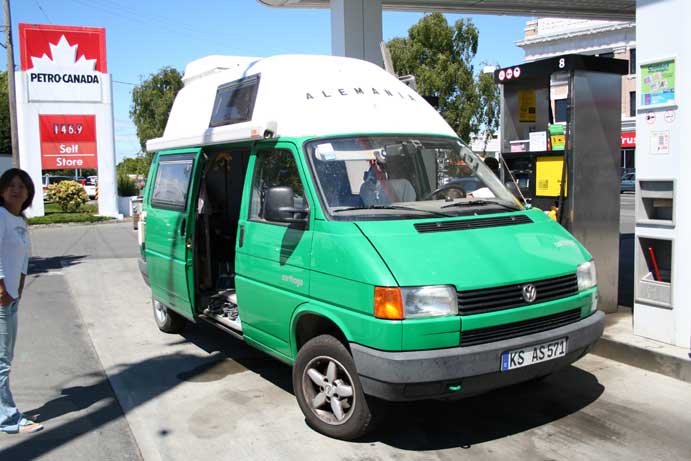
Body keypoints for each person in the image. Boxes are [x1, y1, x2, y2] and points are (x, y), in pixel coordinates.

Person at [0, 168, 42, 434]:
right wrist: (2, 287)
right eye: (11, 185)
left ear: (28, 193)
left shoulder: (20, 220)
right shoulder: (1, 216)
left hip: (12, 296)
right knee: (2, 360)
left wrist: (20, 284)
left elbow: (24, 257)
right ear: (2, 190)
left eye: (21, 186)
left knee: (6, 357)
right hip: (2, 297)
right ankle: (7, 419)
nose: (16, 190)